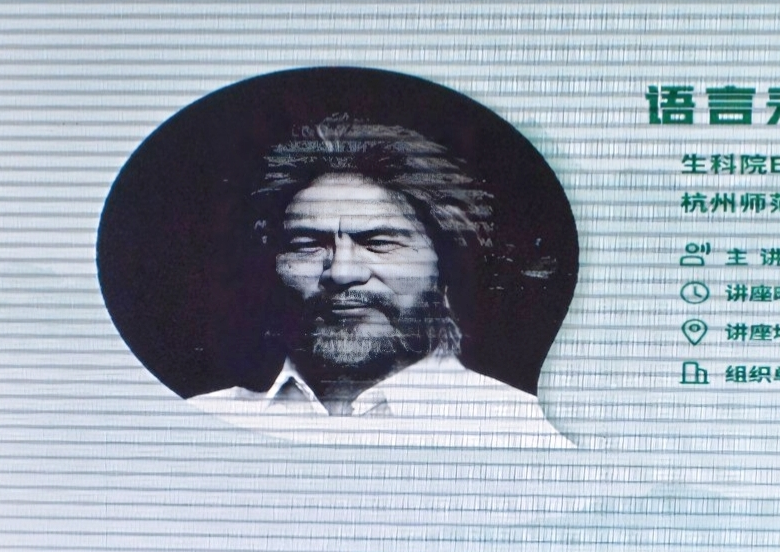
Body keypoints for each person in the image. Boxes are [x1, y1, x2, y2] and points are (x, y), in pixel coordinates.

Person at [187, 117, 572, 448]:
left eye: (378, 243)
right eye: (307, 245)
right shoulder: (200, 426)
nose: (342, 273)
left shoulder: (516, 430)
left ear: (447, 262)